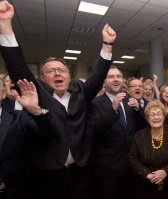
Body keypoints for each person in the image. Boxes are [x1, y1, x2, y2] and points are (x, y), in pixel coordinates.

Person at [0, 1, 116, 198]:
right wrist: (5, 27)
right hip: (48, 173)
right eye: (50, 71)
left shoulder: (80, 91)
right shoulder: (37, 93)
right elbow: (18, 68)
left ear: (69, 75)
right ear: (42, 78)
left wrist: (107, 45)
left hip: (81, 170)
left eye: (61, 70)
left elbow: (97, 76)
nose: (57, 73)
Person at [89, 66, 146, 199]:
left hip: (131, 165)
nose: (116, 80)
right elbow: (95, 130)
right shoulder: (95, 103)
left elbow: (142, 128)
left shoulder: (129, 101)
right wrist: (113, 109)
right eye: (111, 77)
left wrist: (139, 110)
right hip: (108, 168)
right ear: (104, 81)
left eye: (118, 77)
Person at [0, 78, 55, 199]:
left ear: (3, 94)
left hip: (15, 190)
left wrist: (35, 110)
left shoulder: (19, 117)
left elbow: (46, 133)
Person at [128, 100, 168, 199]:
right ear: (147, 118)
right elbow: (132, 159)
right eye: (152, 114)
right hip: (145, 186)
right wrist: (147, 174)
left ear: (164, 116)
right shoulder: (139, 136)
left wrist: (165, 171)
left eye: (159, 114)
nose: (156, 117)